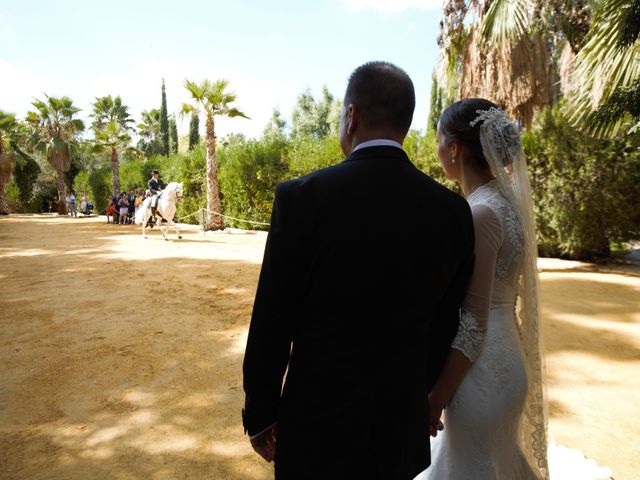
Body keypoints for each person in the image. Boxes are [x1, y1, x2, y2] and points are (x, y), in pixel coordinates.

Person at [242, 61, 475, 479]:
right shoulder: (452, 212)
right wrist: (420, 398)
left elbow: (273, 319)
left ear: (351, 117)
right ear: (405, 122)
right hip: (399, 427)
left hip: (316, 426)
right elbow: (446, 323)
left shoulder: (301, 198)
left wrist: (260, 412)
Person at [416, 99, 548, 479]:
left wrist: (435, 399)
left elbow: (474, 322)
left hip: (480, 369)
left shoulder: (482, 213)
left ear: (454, 149)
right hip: (508, 358)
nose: (437, 149)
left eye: (439, 140)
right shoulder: (506, 206)